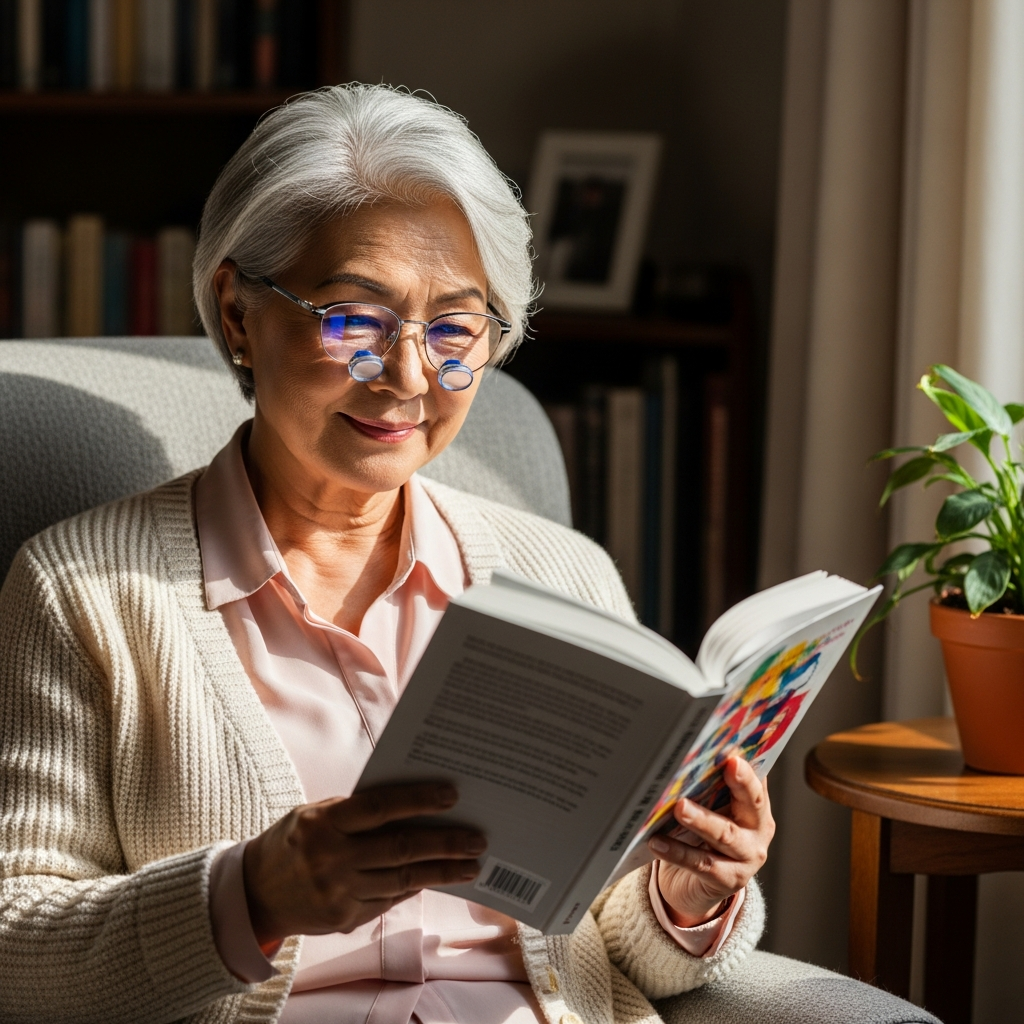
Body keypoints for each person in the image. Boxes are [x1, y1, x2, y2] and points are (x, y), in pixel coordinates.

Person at [0, 84, 773, 1024]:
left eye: (455, 328)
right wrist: (256, 893)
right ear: (238, 312)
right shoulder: (83, 592)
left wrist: (690, 890)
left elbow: (617, 943)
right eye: (355, 319)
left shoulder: (564, 577)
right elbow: (18, 954)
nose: (410, 377)